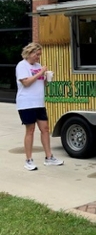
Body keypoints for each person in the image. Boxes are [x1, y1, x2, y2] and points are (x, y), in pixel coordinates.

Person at [15, 42, 64, 171]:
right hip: (26, 104)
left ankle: (49, 157)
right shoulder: (22, 65)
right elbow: (26, 82)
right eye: (37, 54)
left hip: (39, 103)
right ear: (30, 53)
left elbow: (39, 84)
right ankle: (29, 160)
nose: (38, 57)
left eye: (39, 55)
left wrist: (47, 78)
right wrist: (40, 72)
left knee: (45, 129)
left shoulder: (37, 66)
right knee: (30, 130)